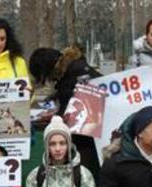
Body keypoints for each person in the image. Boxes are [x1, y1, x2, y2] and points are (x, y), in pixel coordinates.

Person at [28, 45, 103, 178]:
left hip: (87, 137)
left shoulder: (73, 75)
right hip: (91, 132)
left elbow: (75, 108)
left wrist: (56, 117)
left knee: (86, 171)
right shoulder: (72, 69)